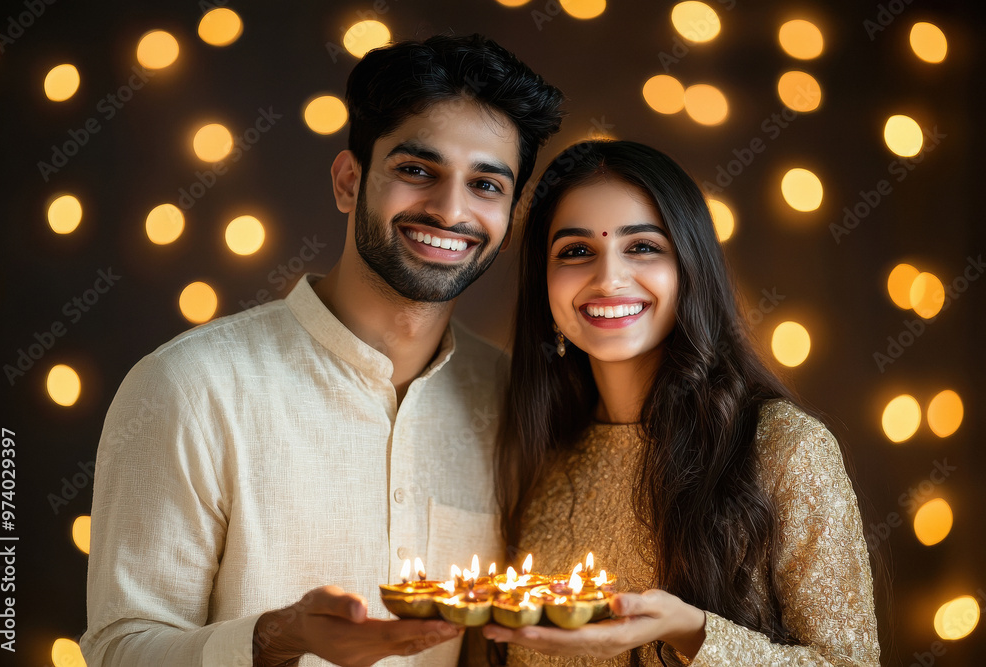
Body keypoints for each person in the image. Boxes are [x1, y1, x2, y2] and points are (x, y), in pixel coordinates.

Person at [82, 34, 563, 667]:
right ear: (347, 181)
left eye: (486, 186)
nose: (450, 210)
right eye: (417, 170)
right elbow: (120, 650)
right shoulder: (192, 386)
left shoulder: (513, 398)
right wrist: (279, 637)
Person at [486, 140, 880, 665]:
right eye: (576, 251)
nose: (608, 279)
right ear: (545, 284)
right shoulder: (537, 455)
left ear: (690, 267)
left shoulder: (782, 448)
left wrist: (694, 633)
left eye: (643, 246)